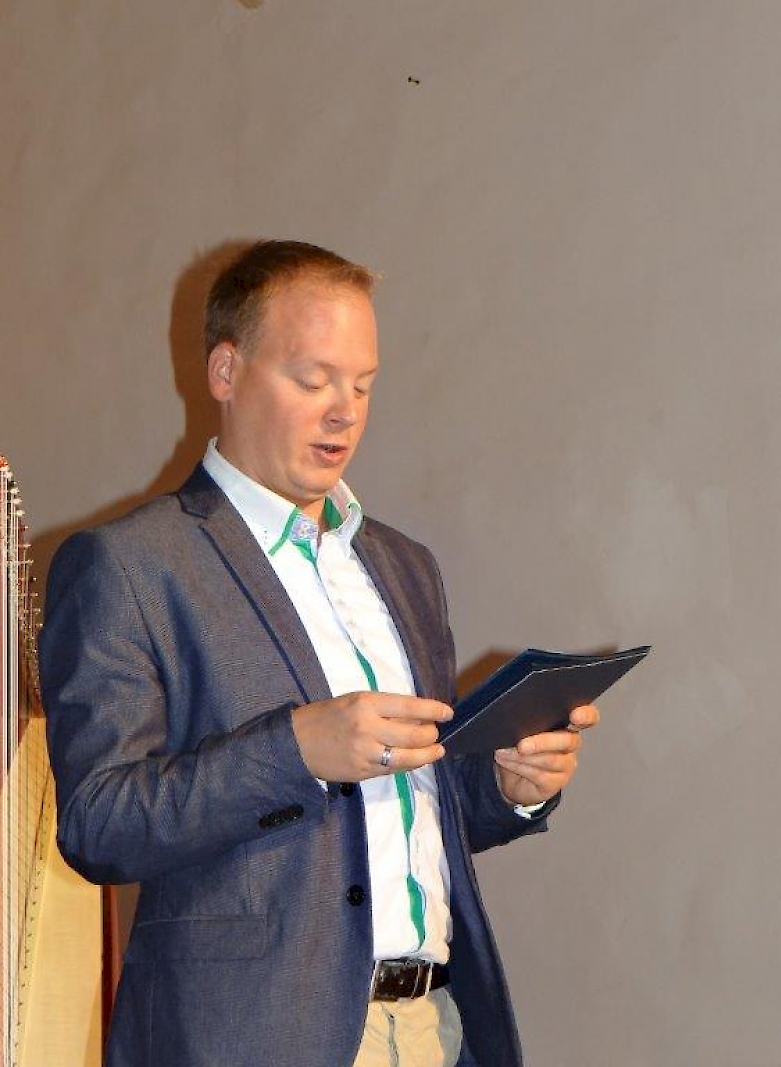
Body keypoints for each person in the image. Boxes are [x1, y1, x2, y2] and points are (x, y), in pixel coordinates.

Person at [39, 240, 599, 1067]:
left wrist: (507, 789)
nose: (345, 411)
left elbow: (402, 818)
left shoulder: (404, 567)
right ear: (226, 371)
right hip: (251, 1039)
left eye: (362, 385)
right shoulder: (130, 565)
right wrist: (294, 750)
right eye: (313, 380)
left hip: (435, 1025)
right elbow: (99, 824)